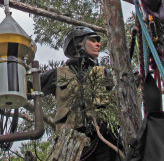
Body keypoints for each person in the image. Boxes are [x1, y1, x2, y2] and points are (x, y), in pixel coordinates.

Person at [40, 26, 122, 161]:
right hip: (71, 143)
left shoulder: (104, 73)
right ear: (79, 43)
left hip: (104, 140)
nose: (98, 44)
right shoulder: (57, 74)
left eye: (98, 41)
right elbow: (28, 87)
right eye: (92, 40)